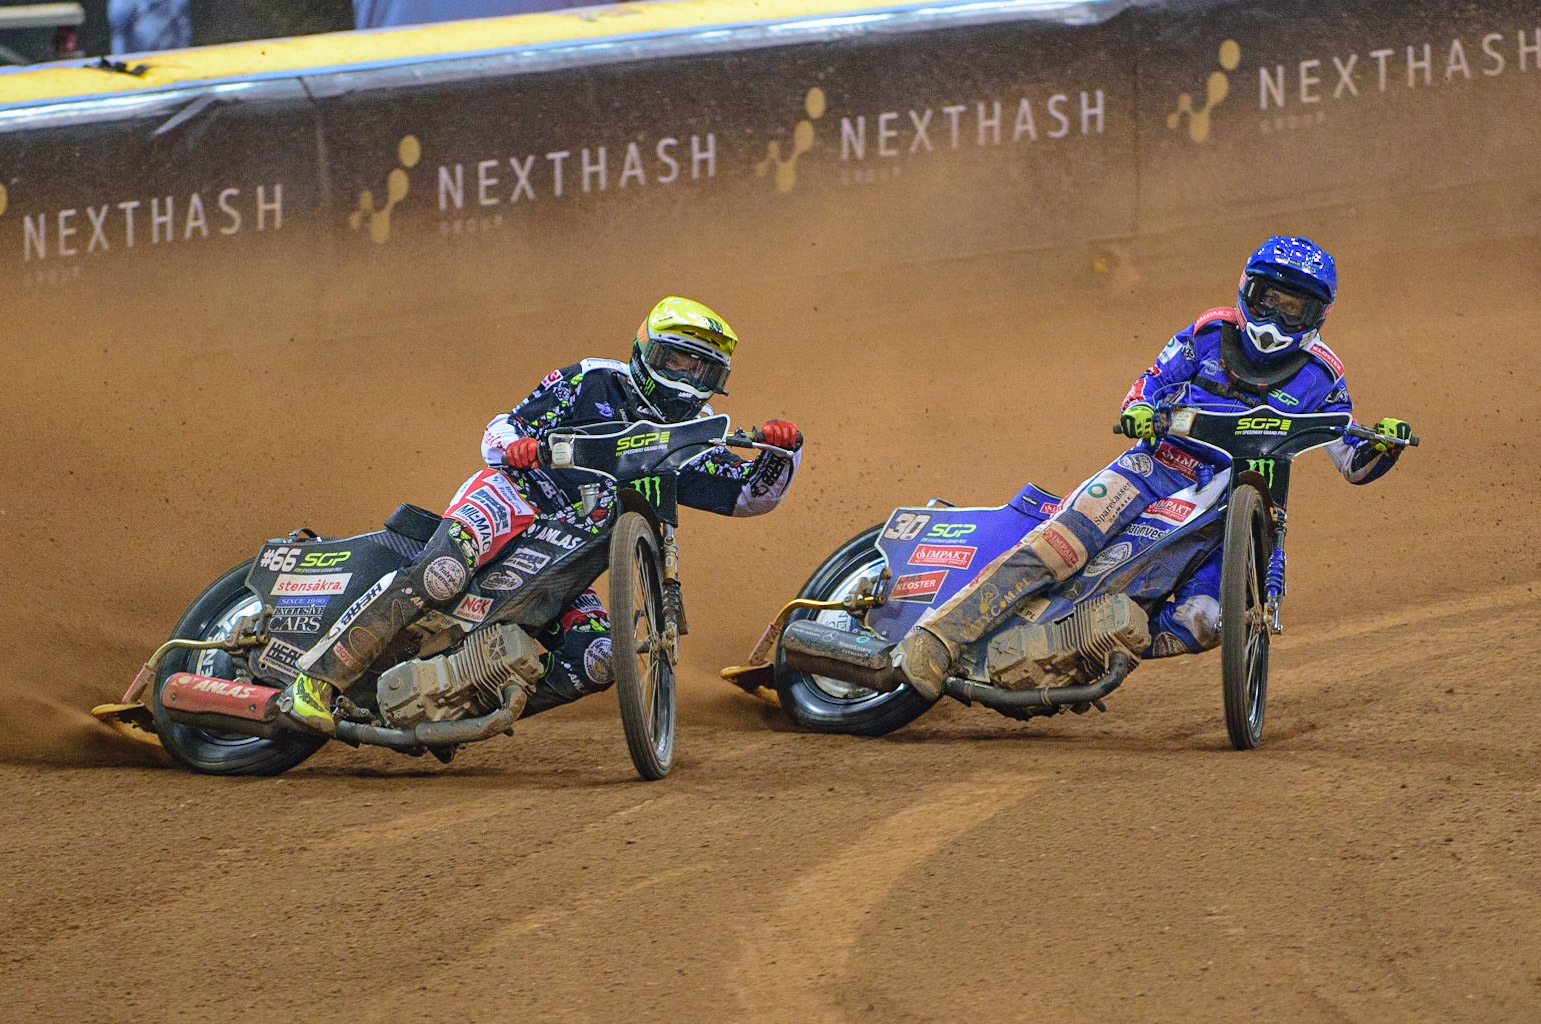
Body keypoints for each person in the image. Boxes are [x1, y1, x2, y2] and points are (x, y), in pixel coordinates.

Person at [892, 236, 1414, 697]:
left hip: (1224, 499)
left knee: (1206, 622)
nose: (1276, 321)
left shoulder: (1324, 376)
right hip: (1154, 464)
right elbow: (1152, 379)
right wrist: (1138, 408)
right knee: (1061, 548)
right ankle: (937, 639)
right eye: (1268, 302)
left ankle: (1092, 642)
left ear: (1317, 316)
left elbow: (1351, 458)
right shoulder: (1209, 332)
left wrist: (1383, 445)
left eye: (1293, 310)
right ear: (1247, 292)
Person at [281, 296, 803, 734]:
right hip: (515, 498)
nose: (687, 377)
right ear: (646, 351)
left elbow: (750, 496)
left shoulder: (696, 436)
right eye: (676, 361)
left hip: (575, 555)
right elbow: (501, 428)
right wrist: (518, 448)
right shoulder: (593, 379)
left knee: (600, 659)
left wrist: (784, 450)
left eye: (702, 369)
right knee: (443, 575)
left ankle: (458, 705)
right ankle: (316, 680)